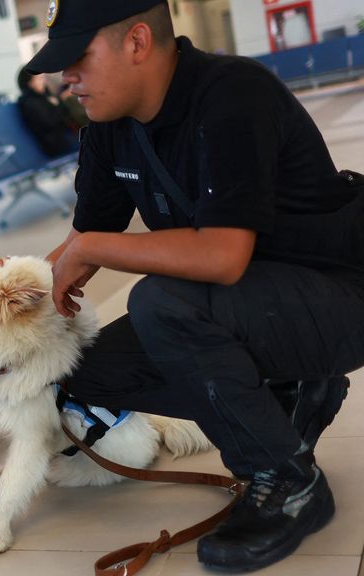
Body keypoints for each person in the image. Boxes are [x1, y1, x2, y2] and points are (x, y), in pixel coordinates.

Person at [24, 0, 364, 571]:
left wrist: (89, 247)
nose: (66, 78)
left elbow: (222, 257)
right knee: (77, 366)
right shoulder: (109, 128)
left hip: (339, 298)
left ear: (136, 42)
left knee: (163, 302)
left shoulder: (232, 95)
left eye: (79, 56)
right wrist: (4, 317)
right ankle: (293, 393)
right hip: (255, 308)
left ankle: (287, 482)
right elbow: (83, 241)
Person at [15, 68, 76, 157]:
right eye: (39, 79)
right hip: (52, 145)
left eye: (43, 78)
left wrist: (57, 105)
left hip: (64, 138)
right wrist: (57, 106)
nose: (43, 82)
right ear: (29, 83)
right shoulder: (29, 101)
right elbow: (49, 122)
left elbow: (66, 110)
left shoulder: (45, 95)